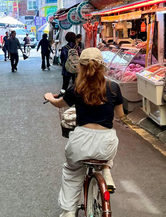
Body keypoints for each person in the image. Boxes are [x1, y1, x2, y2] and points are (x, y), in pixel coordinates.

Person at [43, 48, 125, 217]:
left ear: (80, 66)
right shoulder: (114, 87)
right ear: (102, 66)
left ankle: (69, 211)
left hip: (80, 141)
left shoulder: (76, 89)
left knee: (72, 173)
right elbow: (120, 116)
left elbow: (59, 104)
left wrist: (49, 97)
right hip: (106, 142)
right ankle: (106, 171)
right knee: (108, 145)